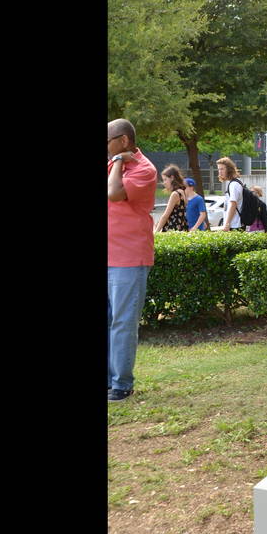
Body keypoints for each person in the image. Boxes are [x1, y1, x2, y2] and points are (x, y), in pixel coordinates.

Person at [108, 118, 158, 402]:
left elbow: (114, 193)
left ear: (123, 141)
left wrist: (116, 162)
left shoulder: (145, 169)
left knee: (122, 324)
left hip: (128, 258)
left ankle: (122, 384)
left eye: (108, 142)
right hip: (108, 255)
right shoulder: (112, 164)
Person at [155, 165, 192, 233]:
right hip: (182, 229)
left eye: (165, 179)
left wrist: (156, 232)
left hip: (173, 230)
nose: (164, 183)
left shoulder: (175, 194)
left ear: (172, 177)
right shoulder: (183, 192)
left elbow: (165, 216)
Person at [214, 156, 245, 231]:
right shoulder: (234, 183)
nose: (220, 172)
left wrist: (227, 224)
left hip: (235, 224)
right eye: (219, 169)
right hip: (235, 224)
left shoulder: (233, 184)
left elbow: (233, 204)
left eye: (222, 169)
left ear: (229, 169)